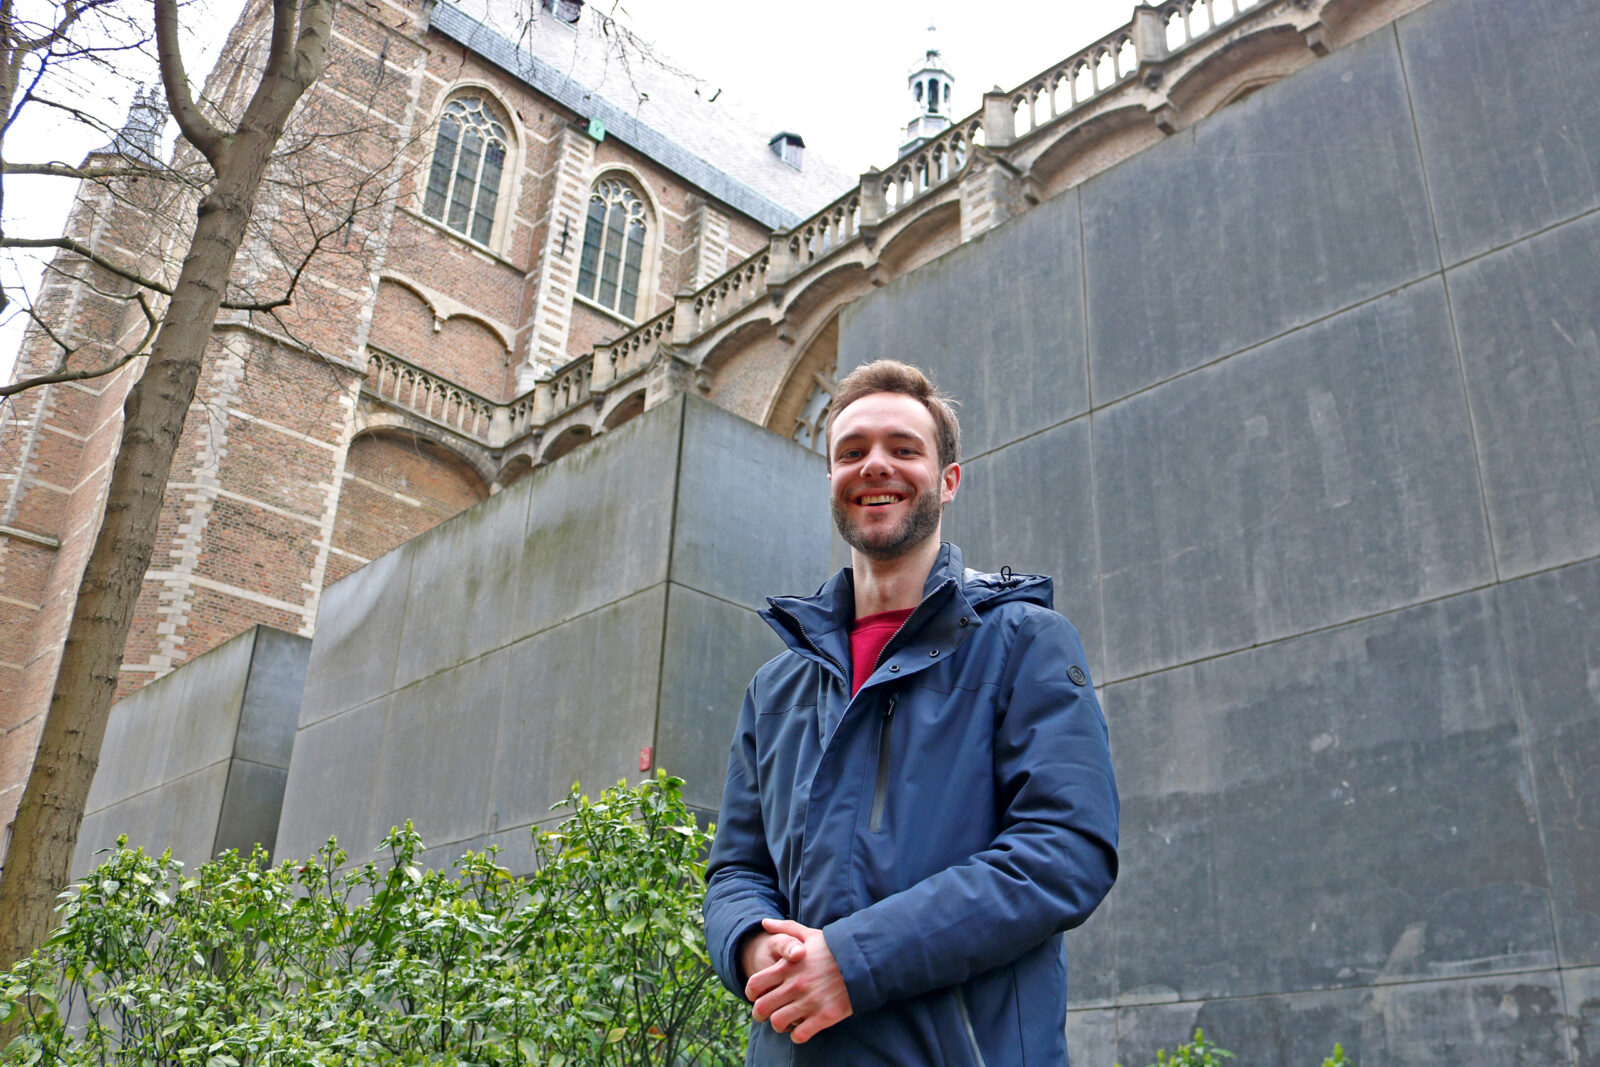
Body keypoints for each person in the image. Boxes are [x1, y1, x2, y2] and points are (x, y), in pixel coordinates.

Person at [703, 359, 1120, 1065]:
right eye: (852, 450)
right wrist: (750, 943)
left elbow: (1065, 851)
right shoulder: (775, 686)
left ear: (947, 480)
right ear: (831, 480)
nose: (875, 466)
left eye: (903, 448)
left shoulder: (1026, 642)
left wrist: (853, 961)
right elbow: (736, 870)